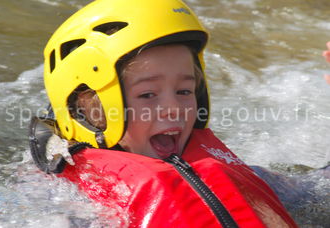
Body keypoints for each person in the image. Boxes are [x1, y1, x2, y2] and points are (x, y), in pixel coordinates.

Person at [29, 0, 298, 227]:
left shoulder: (242, 175)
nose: (174, 109)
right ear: (86, 112)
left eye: (184, 91)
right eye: (148, 95)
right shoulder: (62, 203)